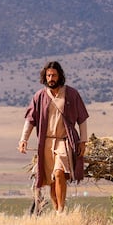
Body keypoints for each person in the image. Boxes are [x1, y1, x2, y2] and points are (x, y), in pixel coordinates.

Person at [18, 61, 89, 213]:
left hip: (64, 141)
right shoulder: (40, 96)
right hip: (46, 142)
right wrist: (23, 139)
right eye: (48, 75)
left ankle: (61, 210)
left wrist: (83, 141)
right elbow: (30, 120)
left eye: (54, 75)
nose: (51, 78)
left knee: (59, 173)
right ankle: (57, 212)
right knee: (51, 180)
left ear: (60, 76)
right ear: (45, 77)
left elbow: (82, 119)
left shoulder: (71, 94)